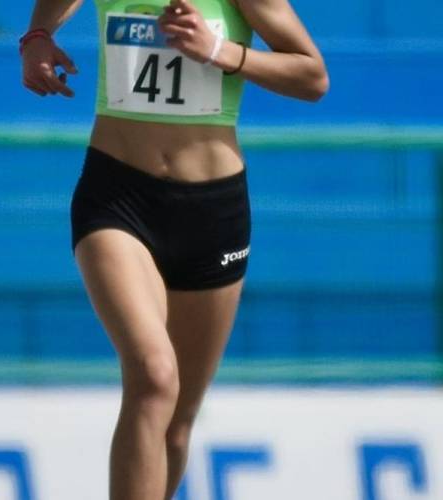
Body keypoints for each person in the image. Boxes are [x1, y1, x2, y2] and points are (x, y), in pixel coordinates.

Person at [20, 0, 328, 498]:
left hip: (212, 212)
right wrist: (37, 37)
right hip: (117, 196)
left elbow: (313, 77)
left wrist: (220, 51)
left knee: (177, 425)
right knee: (154, 376)